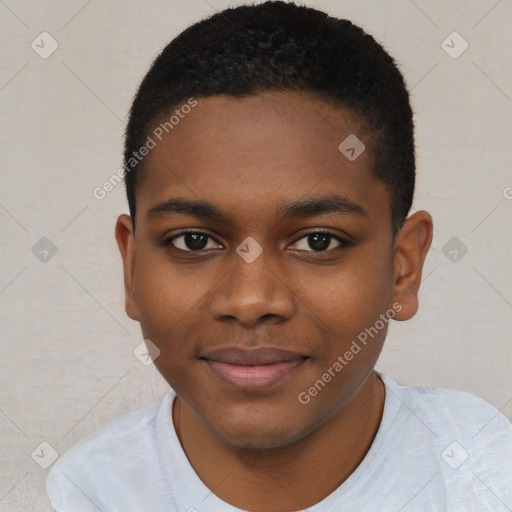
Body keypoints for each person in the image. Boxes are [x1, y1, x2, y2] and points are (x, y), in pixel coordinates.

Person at [46, 1, 512, 510]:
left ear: (404, 268)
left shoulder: (482, 472)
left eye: (318, 241)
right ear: (132, 268)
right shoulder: (89, 492)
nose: (250, 300)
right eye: (194, 241)